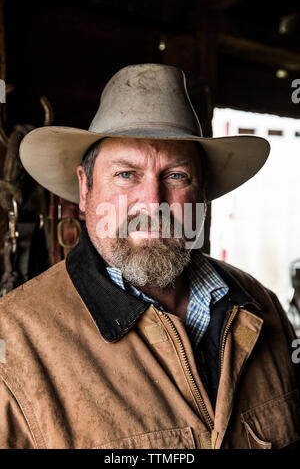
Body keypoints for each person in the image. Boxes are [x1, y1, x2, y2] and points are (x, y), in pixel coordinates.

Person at [0, 64, 299, 449]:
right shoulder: (13, 342)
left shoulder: (264, 309)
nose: (154, 203)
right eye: (126, 174)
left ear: (201, 193)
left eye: (176, 176)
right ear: (85, 188)